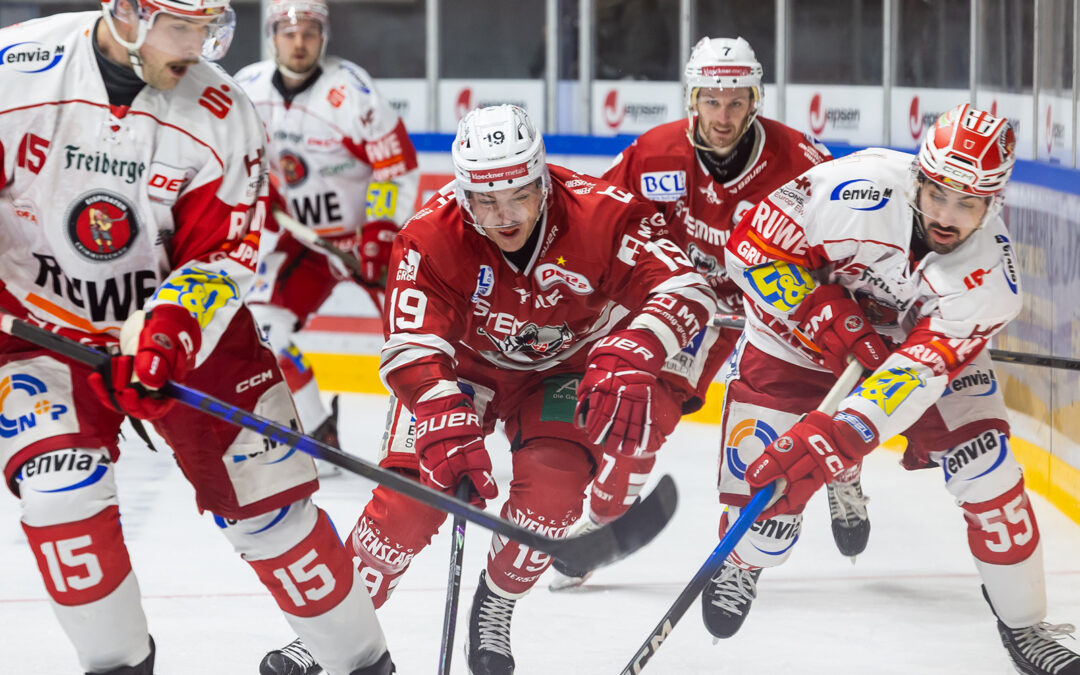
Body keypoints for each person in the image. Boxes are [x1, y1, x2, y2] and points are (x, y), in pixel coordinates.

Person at [0, 2, 393, 673]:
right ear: (124, 12)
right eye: (182, 26)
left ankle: (362, 664)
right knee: (60, 497)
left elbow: (224, 257)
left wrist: (169, 333)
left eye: (210, 27)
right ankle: (120, 664)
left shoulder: (221, 109)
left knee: (275, 516)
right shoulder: (16, 71)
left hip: (188, 336)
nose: (200, 44)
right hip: (41, 328)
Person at [261, 104, 717, 675]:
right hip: (462, 372)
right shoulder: (429, 236)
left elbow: (689, 286)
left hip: (562, 371)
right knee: (405, 508)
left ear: (543, 180)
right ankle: (333, 636)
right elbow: (409, 345)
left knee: (551, 499)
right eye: (485, 198)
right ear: (462, 190)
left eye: (519, 194)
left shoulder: (602, 214)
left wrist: (636, 349)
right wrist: (439, 408)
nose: (504, 216)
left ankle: (496, 601)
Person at [715, 103, 1080, 675]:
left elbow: (915, 374)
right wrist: (822, 312)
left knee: (988, 471)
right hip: (793, 334)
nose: (948, 216)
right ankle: (746, 560)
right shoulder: (851, 187)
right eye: (938, 194)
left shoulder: (992, 283)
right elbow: (749, 248)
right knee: (768, 515)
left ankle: (1026, 624)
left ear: (995, 203)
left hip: (910, 349)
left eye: (969, 203)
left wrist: (839, 437)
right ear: (918, 176)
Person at [549, 36, 844, 590]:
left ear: (755, 99)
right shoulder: (654, 153)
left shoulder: (800, 162)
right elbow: (601, 222)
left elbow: (839, 244)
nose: (724, 116)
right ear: (693, 99)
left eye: (736, 101)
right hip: (685, 306)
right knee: (644, 412)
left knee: (807, 412)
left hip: (772, 314)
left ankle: (843, 471)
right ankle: (604, 519)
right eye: (712, 100)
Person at [235, 0, 419, 467]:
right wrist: (260, 199)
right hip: (305, 243)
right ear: (272, 35)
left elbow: (396, 167)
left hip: (365, 240)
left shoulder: (352, 92)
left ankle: (427, 435)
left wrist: (380, 231)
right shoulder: (246, 91)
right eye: (289, 32)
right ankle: (317, 427)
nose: (299, 43)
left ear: (324, 36)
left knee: (414, 334)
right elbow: (233, 165)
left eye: (310, 33)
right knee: (262, 326)